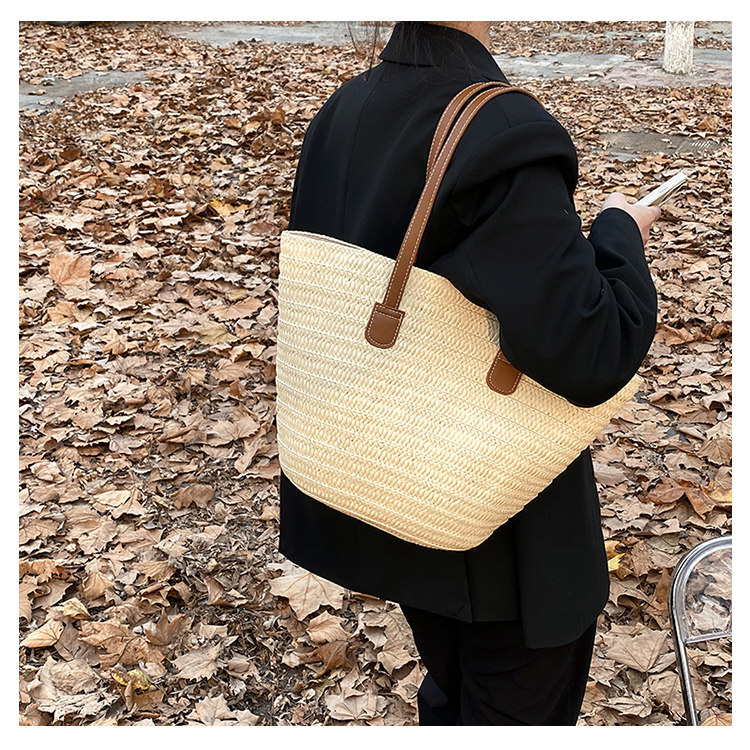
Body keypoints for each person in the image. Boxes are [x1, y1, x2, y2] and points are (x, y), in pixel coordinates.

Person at [277, 21, 659, 725]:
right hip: (498, 524)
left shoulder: (346, 106)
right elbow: (593, 350)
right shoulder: (501, 129)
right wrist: (619, 231)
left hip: (387, 481)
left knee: (451, 686)